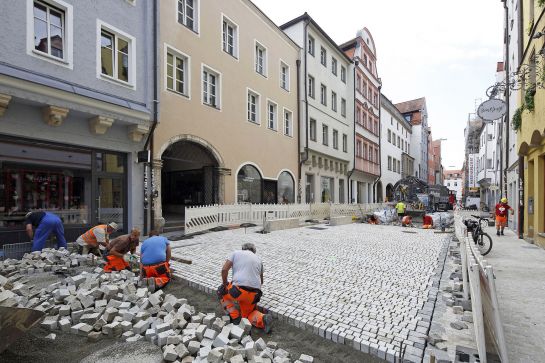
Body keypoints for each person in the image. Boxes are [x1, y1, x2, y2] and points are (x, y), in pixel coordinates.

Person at [218, 243, 272, 333]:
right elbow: (261, 282)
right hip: (254, 295)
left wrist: (224, 284)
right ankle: (262, 319)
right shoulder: (259, 260)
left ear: (243, 249)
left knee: (221, 292)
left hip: (238, 291)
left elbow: (224, 270)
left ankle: (235, 317)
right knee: (247, 315)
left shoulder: (236, 253)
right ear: (254, 251)